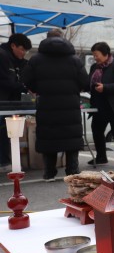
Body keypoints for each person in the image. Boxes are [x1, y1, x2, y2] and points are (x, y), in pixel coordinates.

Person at [22, 31, 88, 181]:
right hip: (70, 105)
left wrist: (38, 88)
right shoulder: (74, 60)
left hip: (46, 104)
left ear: (46, 39)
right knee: (71, 136)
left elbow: (26, 79)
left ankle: (49, 172)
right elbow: (85, 82)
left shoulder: (36, 59)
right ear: (63, 39)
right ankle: (72, 170)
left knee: (49, 137)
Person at [87, 42, 114, 169]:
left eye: (97, 55)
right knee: (97, 131)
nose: (95, 58)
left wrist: (105, 88)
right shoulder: (94, 67)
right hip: (99, 106)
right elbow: (89, 82)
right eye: (93, 55)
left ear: (106, 54)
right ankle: (101, 157)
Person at [0, 33, 32, 172]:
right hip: (3, 103)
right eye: (21, 49)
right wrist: (25, 87)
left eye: (25, 50)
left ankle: (6, 161)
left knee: (7, 132)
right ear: (13, 46)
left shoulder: (14, 59)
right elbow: (6, 81)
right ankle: (3, 162)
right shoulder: (2, 56)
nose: (23, 52)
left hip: (9, 102)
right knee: (3, 132)